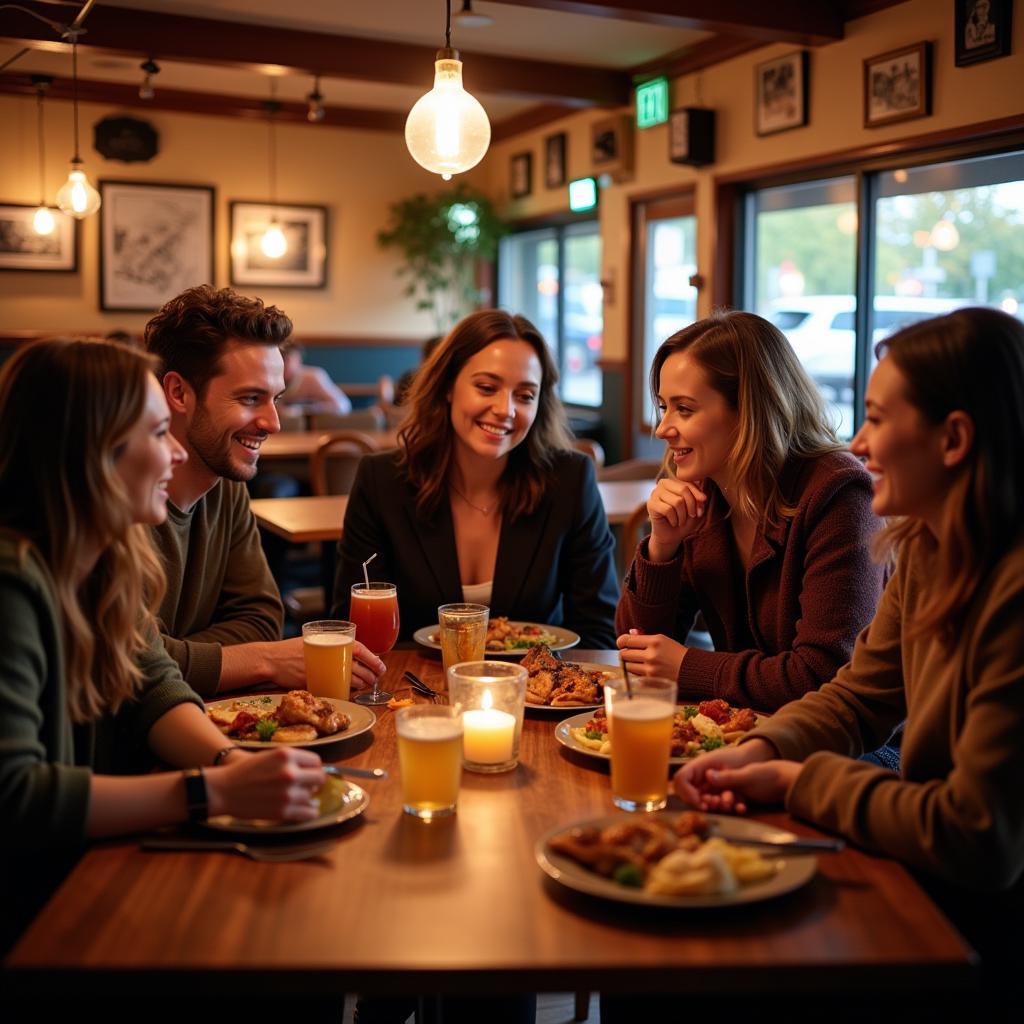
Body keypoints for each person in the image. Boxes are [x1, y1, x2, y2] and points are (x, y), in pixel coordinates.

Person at [675, 308, 1024, 1004]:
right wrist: (763, 746)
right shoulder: (928, 545)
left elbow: (976, 836)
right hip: (922, 860)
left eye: (878, 419)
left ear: (954, 438)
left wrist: (793, 781)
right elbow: (859, 695)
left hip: (981, 929)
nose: (859, 443)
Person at [0, 337, 327, 953]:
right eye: (157, 434)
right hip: (35, 914)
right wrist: (213, 791)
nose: (177, 452)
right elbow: (15, 796)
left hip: (85, 865)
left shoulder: (102, 563)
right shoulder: (13, 581)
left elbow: (155, 684)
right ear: (89, 453)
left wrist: (231, 764)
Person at [616, 310, 884, 711]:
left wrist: (689, 666)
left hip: (847, 754)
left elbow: (825, 675)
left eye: (684, 409)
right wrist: (662, 548)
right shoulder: (702, 491)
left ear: (750, 411)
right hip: (743, 733)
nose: (662, 428)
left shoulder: (840, 495)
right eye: (662, 407)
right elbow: (636, 653)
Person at [144, 285, 384, 698]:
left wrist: (178, 653)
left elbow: (261, 618)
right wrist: (264, 660)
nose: (273, 422)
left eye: (275, 399)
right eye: (250, 398)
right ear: (179, 393)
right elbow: (123, 658)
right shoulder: (113, 499)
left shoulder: (226, 483)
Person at [332, 309, 618, 649]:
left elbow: (598, 634)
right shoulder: (381, 481)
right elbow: (355, 632)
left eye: (525, 396)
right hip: (413, 692)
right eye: (486, 387)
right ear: (448, 386)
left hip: (536, 694)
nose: (506, 409)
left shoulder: (570, 481)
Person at [279, 338, 352, 417]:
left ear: (298, 360)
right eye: (280, 358)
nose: (282, 364)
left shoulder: (314, 377)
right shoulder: (273, 378)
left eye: (286, 359)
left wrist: (302, 409)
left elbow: (343, 406)